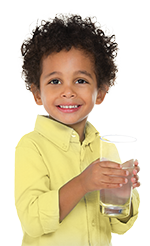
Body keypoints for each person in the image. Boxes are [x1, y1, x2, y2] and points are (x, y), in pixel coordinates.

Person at [15, 13, 140, 246]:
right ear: (37, 93)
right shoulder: (31, 146)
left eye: (81, 80)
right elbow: (31, 221)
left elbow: (116, 223)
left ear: (100, 92)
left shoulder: (107, 148)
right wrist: (84, 183)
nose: (68, 91)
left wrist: (124, 192)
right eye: (55, 81)